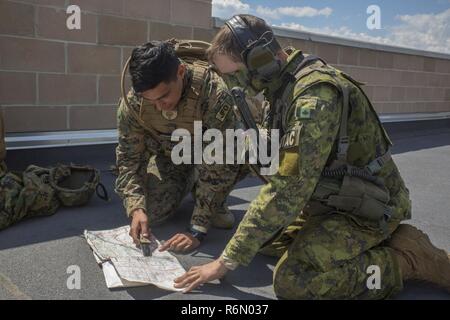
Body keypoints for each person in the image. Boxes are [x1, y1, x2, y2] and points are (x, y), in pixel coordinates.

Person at [173, 15, 450, 298]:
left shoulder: (313, 98)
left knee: (294, 281)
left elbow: (288, 189)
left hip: (368, 207)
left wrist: (224, 262)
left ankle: (405, 259)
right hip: (328, 199)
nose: (231, 82)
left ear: (260, 59)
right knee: (263, 240)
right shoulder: (280, 86)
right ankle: (360, 243)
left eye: (233, 73)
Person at [115, 40, 245, 253]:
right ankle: (192, 181)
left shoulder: (213, 93)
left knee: (221, 222)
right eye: (151, 100)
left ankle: (210, 196)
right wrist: (136, 208)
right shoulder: (134, 103)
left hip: (214, 158)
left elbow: (223, 159)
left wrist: (197, 229)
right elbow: (129, 159)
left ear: (181, 72)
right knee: (152, 214)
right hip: (173, 156)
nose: (159, 106)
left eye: (164, 96)